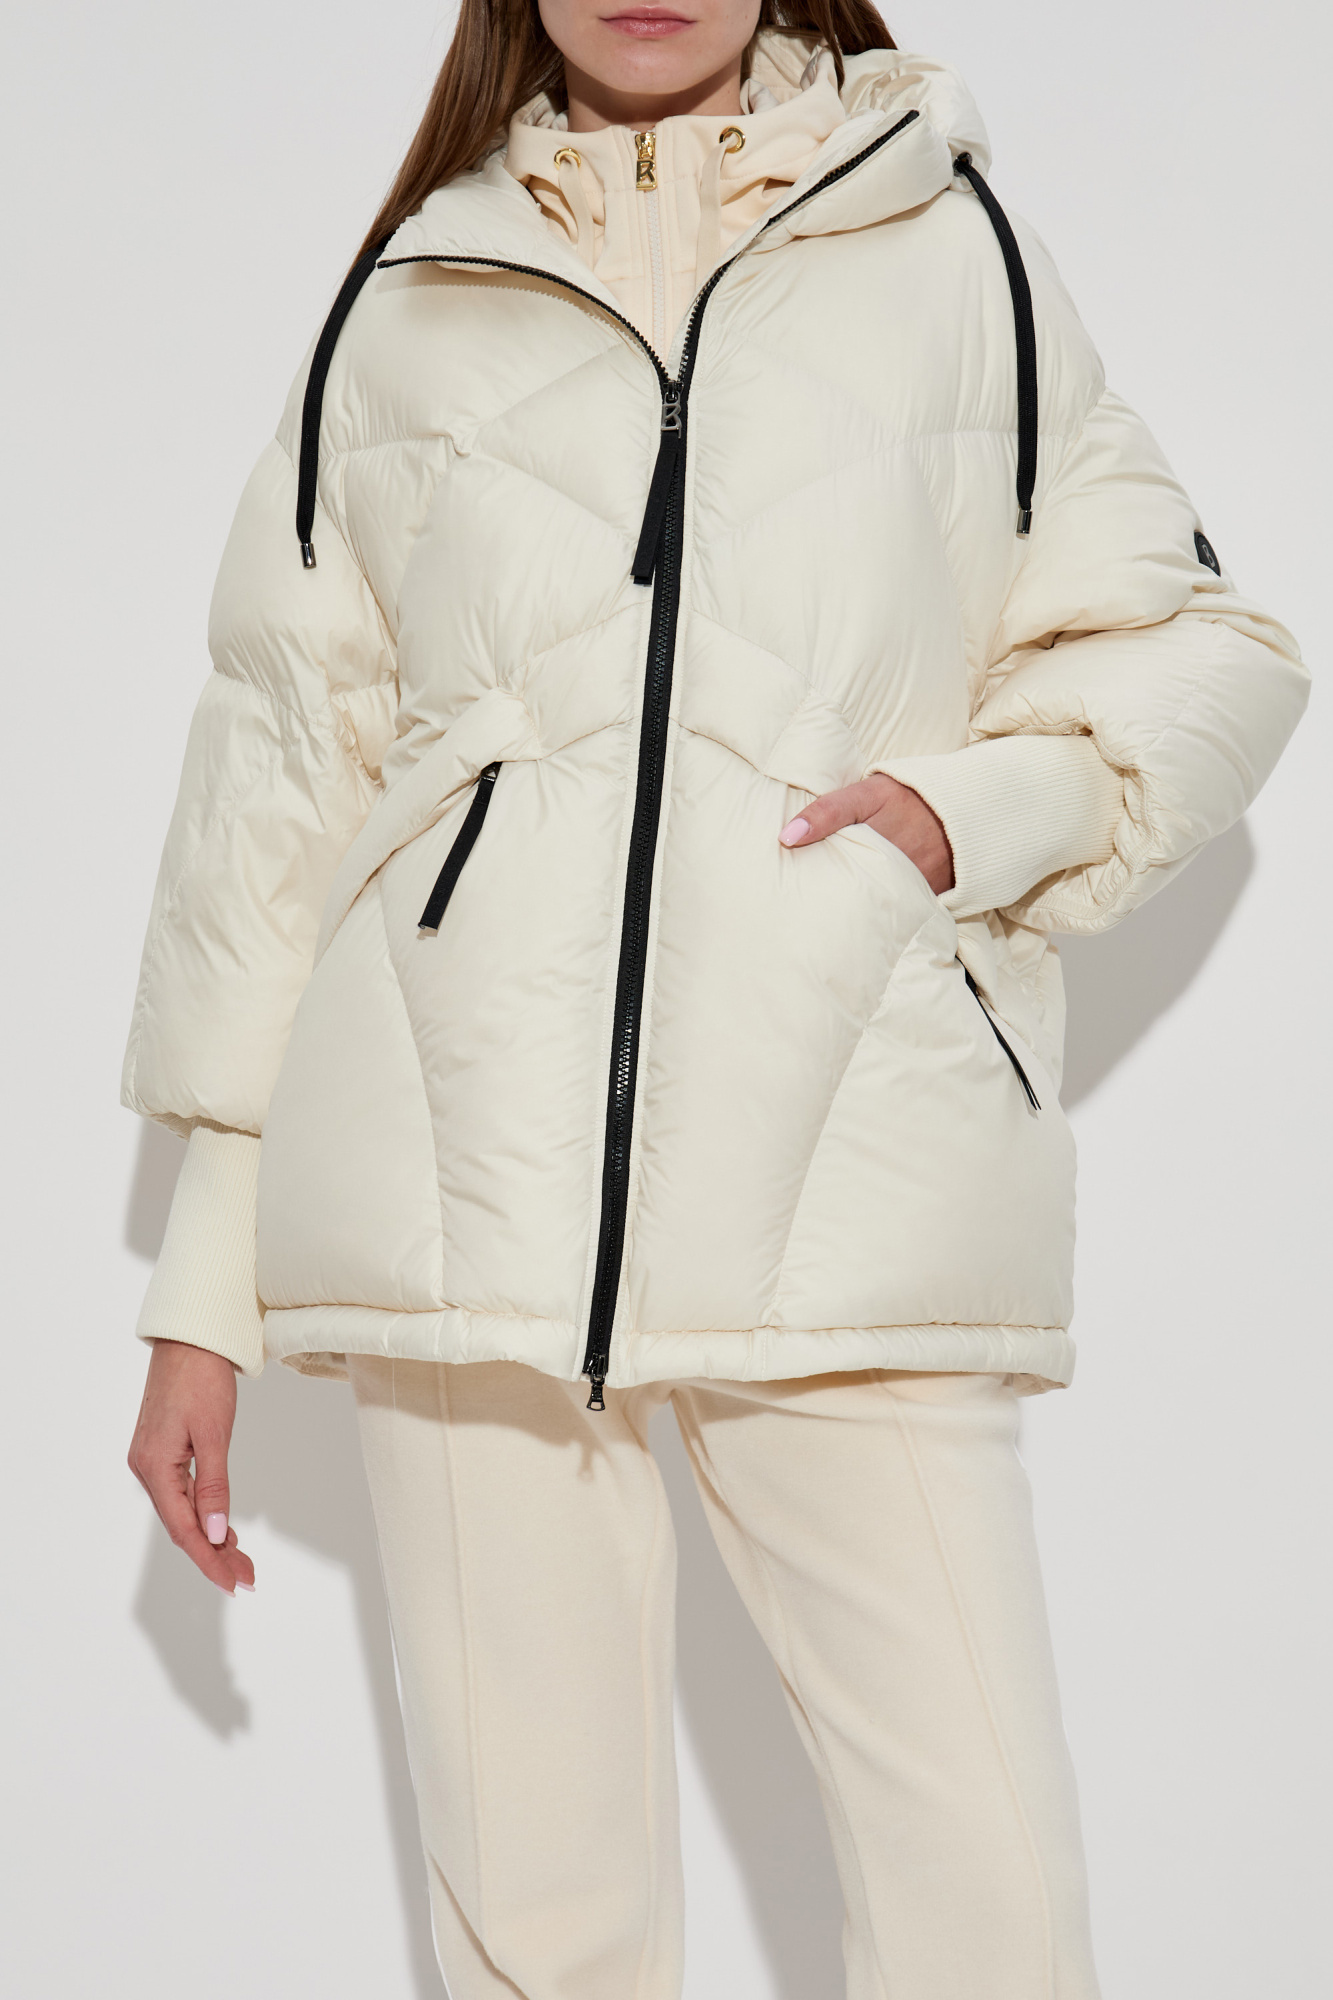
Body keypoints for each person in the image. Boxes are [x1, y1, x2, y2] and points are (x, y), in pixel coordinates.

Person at [123, 0, 1308, 1993]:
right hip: (457, 1181)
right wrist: (201, 1286)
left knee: (984, 1893)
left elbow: (1209, 653)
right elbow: (278, 783)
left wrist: (958, 815)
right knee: (539, 1919)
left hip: (852, 1149)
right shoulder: (412, 298)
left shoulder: (953, 251)